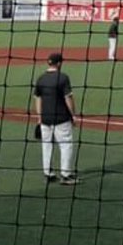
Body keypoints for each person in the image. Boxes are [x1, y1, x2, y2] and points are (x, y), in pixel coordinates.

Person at [33, 52, 80, 185]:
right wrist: (73, 115)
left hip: (45, 119)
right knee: (66, 145)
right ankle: (66, 175)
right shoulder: (63, 78)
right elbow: (68, 98)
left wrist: (39, 117)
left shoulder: (41, 78)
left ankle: (48, 173)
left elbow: (37, 98)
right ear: (59, 63)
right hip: (61, 119)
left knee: (46, 145)